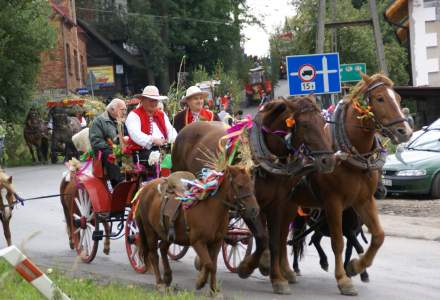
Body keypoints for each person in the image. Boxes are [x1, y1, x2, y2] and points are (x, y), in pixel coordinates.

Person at [125, 85, 177, 177]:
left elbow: (170, 129)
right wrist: (153, 140)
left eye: (155, 100)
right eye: (151, 100)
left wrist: (173, 140)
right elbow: (135, 134)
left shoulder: (161, 114)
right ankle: (161, 182)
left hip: (163, 149)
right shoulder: (134, 115)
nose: (154, 103)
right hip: (142, 152)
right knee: (159, 159)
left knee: (178, 158)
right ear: (143, 100)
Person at [89, 98, 127, 187]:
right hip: (105, 151)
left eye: (125, 109)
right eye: (122, 109)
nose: (125, 112)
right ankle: (119, 183)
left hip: (122, 148)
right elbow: (96, 141)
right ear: (112, 109)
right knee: (111, 155)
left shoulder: (122, 120)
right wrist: (113, 147)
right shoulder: (99, 121)